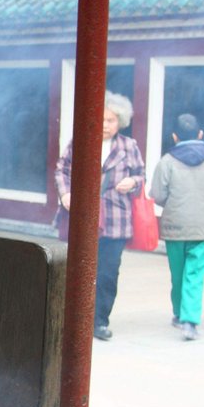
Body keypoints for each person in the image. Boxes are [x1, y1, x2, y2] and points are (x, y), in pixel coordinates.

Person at [55, 92, 145, 342]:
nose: (105, 125)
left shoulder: (129, 146)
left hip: (115, 219)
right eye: (101, 119)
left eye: (111, 120)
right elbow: (61, 170)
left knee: (107, 273)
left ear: (120, 122)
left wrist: (133, 182)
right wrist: (65, 194)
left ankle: (99, 321)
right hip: (82, 217)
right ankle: (74, 319)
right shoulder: (79, 141)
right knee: (77, 269)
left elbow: (140, 175)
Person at [148, 114, 204, 342]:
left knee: (178, 274)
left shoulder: (166, 161)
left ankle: (178, 314)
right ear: (200, 134)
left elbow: (157, 195)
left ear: (174, 136)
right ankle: (190, 321)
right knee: (194, 275)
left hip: (175, 227)